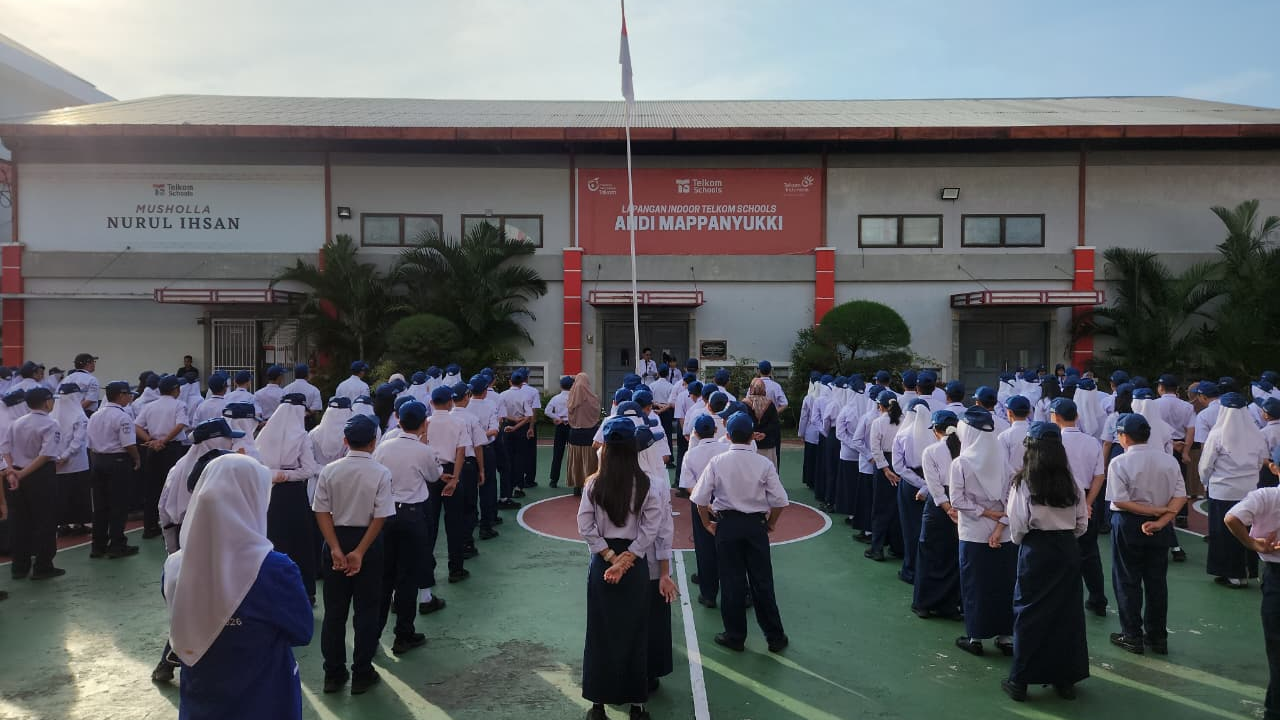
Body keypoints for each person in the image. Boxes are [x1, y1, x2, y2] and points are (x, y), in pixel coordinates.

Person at [162, 453, 312, 720]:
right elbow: (302, 631)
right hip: (264, 698)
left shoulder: (174, 565)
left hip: (201, 696)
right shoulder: (274, 569)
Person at [579, 415, 664, 720]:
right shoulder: (647, 484)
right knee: (635, 632)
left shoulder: (593, 483)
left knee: (600, 632)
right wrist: (628, 559)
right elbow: (651, 528)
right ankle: (637, 706)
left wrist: (609, 556)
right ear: (633, 448)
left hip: (603, 564)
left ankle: (598, 706)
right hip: (635, 565)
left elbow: (585, 525)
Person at [1001, 421, 1090, 702]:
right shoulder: (1072, 482)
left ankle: (1020, 680)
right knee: (1066, 614)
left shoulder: (1024, 483)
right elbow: (1082, 523)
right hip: (1066, 549)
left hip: (1036, 549)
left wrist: (1029, 542)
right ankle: (1065, 680)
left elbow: (1017, 525)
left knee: (1029, 613)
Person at [152, 417, 245, 684]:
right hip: (213, 540)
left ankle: (169, 660)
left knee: (188, 603)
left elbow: (164, 511)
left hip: (184, 542)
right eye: (227, 438)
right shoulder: (219, 472)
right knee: (216, 603)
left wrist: (173, 551)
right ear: (215, 441)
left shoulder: (179, 467)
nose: (232, 442)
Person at [691, 411, 790, 653]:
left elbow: (700, 499)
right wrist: (770, 523)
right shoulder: (763, 464)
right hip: (755, 526)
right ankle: (775, 637)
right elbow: (780, 501)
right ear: (752, 436)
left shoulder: (718, 462)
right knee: (762, 582)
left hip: (727, 526)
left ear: (728, 435)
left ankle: (735, 636)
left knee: (731, 582)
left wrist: (707, 524)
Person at [313, 414, 394, 695]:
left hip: (335, 539)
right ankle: (362, 672)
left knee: (335, 612)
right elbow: (381, 516)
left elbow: (321, 511)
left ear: (345, 441)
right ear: (373, 442)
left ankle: (333, 674)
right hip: (367, 543)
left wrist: (335, 548)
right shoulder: (380, 472)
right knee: (367, 611)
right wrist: (359, 551)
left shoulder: (329, 470)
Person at [1107, 413, 1187, 655]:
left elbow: (1120, 501)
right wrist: (1160, 521)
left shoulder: (1119, 462)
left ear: (1124, 436)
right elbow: (1180, 496)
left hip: (1128, 524)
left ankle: (1132, 635)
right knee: (1156, 582)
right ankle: (1157, 636)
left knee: (1127, 580)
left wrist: (1151, 512)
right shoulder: (1168, 461)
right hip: (1160, 525)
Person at [371, 400, 443, 653]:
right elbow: (434, 476)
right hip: (413, 515)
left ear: (398, 421)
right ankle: (403, 635)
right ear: (424, 424)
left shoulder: (382, 447)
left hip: (386, 514)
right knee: (407, 577)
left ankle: (372, 636)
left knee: (384, 577)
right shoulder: (423, 450)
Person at [950, 406, 1016, 657]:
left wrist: (984, 513)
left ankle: (975, 636)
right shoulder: (1004, 462)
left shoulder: (961, 463)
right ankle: (1006, 637)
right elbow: (1012, 502)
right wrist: (999, 525)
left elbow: (957, 500)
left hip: (973, 534)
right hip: (1004, 534)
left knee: (975, 585)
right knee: (1004, 584)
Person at [1223, 457, 1280, 720]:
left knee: (1277, 649)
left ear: (1274, 468)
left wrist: (1252, 543)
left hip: (1276, 576)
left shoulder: (1266, 496)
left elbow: (1231, 517)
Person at [1201, 391, 1270, 588]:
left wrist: (1206, 482)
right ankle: (1246, 571)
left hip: (1222, 491)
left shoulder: (1217, 434)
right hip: (1248, 490)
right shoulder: (1256, 433)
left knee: (1223, 534)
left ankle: (1231, 573)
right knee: (1246, 532)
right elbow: (1261, 461)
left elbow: (1206, 465)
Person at [258, 393, 322, 602]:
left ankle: (273, 590)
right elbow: (309, 469)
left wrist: (275, 474)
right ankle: (304, 591)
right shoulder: (301, 436)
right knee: (299, 542)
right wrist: (287, 475)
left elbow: (257, 465)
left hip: (270, 493)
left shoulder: (265, 433)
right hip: (293, 494)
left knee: (274, 540)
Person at [1049, 397, 1109, 616]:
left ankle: (1063, 600)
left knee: (1058, 552)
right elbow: (1099, 476)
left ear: (1055, 417)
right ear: (1077, 416)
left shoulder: (1053, 442)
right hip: (1086, 497)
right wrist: (1088, 503)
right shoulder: (1092, 442)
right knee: (1089, 552)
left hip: (1058, 500)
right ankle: (1097, 598)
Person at [3, 387, 64, 579]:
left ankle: (19, 566)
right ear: (46, 402)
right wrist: (22, 474)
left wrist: (12, 471)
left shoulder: (16, 423)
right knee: (45, 521)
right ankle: (43, 566)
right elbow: (45, 455)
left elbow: (5, 449)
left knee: (19, 521)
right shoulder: (51, 423)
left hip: (16, 475)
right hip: (39, 476)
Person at [912, 410, 963, 620]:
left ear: (936, 430)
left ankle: (923, 603)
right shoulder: (965, 448)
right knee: (952, 556)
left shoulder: (931, 451)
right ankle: (948, 604)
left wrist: (947, 508)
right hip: (960, 505)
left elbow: (934, 486)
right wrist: (955, 509)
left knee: (929, 554)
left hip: (939, 507)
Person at [86, 381, 141, 559]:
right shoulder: (123, 417)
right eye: (128, 394)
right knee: (118, 505)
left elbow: (90, 443)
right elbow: (128, 444)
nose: (130, 397)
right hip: (117, 461)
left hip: (98, 460)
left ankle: (98, 546)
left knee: (100, 506)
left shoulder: (95, 415)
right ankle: (117, 544)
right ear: (121, 395)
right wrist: (137, 458)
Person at [134, 374, 191, 539]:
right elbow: (180, 425)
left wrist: (151, 440)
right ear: (176, 389)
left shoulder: (150, 406)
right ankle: (171, 524)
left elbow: (136, 426)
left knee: (152, 488)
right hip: (171, 448)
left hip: (153, 449)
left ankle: (150, 526)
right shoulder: (179, 405)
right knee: (173, 488)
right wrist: (164, 441)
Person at [893, 398, 933, 584]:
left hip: (909, 485)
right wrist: (927, 485)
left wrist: (919, 483)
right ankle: (927, 569)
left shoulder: (902, 435)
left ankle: (910, 569)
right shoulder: (935, 434)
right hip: (933, 485)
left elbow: (898, 466)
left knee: (910, 528)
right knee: (929, 530)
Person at [866, 390, 904, 562]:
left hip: (884, 464)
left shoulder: (878, 422)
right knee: (897, 507)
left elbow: (875, 448)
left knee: (881, 507)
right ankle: (897, 546)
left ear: (880, 406)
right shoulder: (905, 420)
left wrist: (885, 469)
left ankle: (877, 548)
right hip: (900, 463)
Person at [52, 383, 91, 536]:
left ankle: (62, 525)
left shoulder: (52, 414)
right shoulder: (79, 415)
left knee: (62, 495)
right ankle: (79, 524)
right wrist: (65, 456)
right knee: (78, 494)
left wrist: (57, 457)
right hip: (77, 463)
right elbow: (78, 440)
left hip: (56, 463)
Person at [567, 372, 602, 497]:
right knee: (590, 460)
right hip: (590, 432)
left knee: (576, 460)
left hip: (575, 433)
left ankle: (577, 485)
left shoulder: (571, 397)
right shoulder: (593, 398)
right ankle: (590, 484)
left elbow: (569, 413)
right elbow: (597, 414)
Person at [743, 378, 781, 468]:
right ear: (764, 389)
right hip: (767, 444)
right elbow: (775, 424)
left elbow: (743, 423)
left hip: (750, 444)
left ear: (751, 388)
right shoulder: (770, 404)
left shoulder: (744, 404)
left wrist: (752, 434)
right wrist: (764, 433)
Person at [546, 375, 573, 487]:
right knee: (573, 454)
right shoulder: (575, 397)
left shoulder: (556, 398)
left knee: (557, 453)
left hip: (560, 426)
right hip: (572, 426)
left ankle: (553, 480)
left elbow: (547, 411)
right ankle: (574, 479)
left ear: (561, 386)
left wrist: (557, 418)